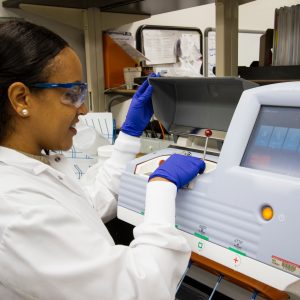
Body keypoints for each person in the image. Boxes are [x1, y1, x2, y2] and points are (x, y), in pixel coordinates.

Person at [0, 20, 205, 300]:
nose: (83, 108)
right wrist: (161, 187)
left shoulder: (26, 168)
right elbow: (142, 290)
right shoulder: (14, 208)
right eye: (71, 94)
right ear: (22, 98)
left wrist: (129, 137)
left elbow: (86, 203)